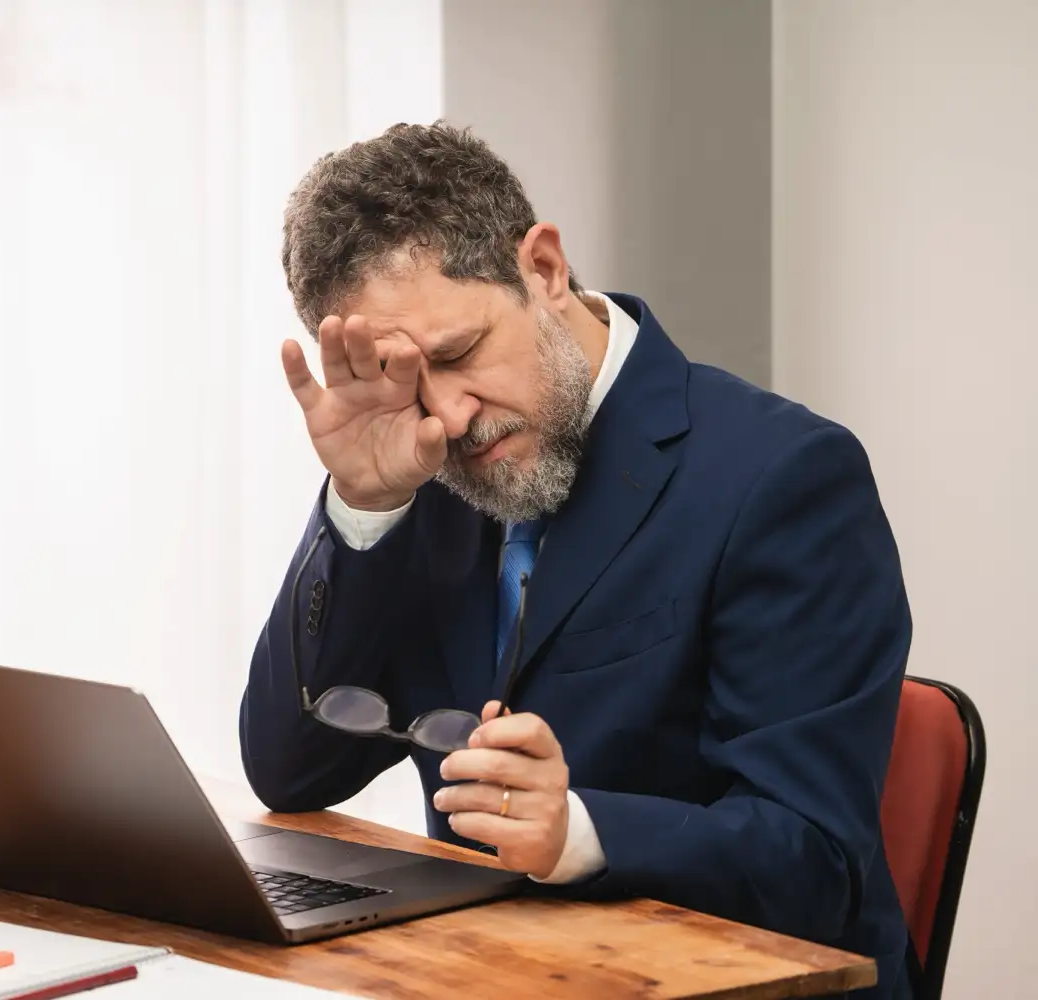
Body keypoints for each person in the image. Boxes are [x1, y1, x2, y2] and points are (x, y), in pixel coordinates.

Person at [239, 122, 912, 999]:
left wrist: (581, 831)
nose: (450, 414)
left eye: (458, 354)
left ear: (545, 269)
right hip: (501, 974)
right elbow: (292, 772)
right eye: (407, 380)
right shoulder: (425, 466)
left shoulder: (785, 476)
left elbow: (818, 862)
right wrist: (366, 506)